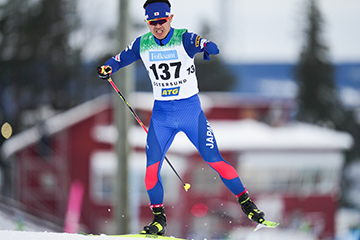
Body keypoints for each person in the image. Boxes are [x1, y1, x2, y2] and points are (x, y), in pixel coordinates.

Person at [98, 0, 265, 235]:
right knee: (151, 169)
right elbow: (118, 60)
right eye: (152, 22)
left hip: (190, 113)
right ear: (147, 22)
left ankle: (247, 203)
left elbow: (208, 45)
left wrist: (206, 46)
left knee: (214, 159)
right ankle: (159, 219)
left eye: (162, 21)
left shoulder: (183, 38)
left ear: (170, 18)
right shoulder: (142, 44)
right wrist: (107, 68)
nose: (157, 26)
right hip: (162, 117)